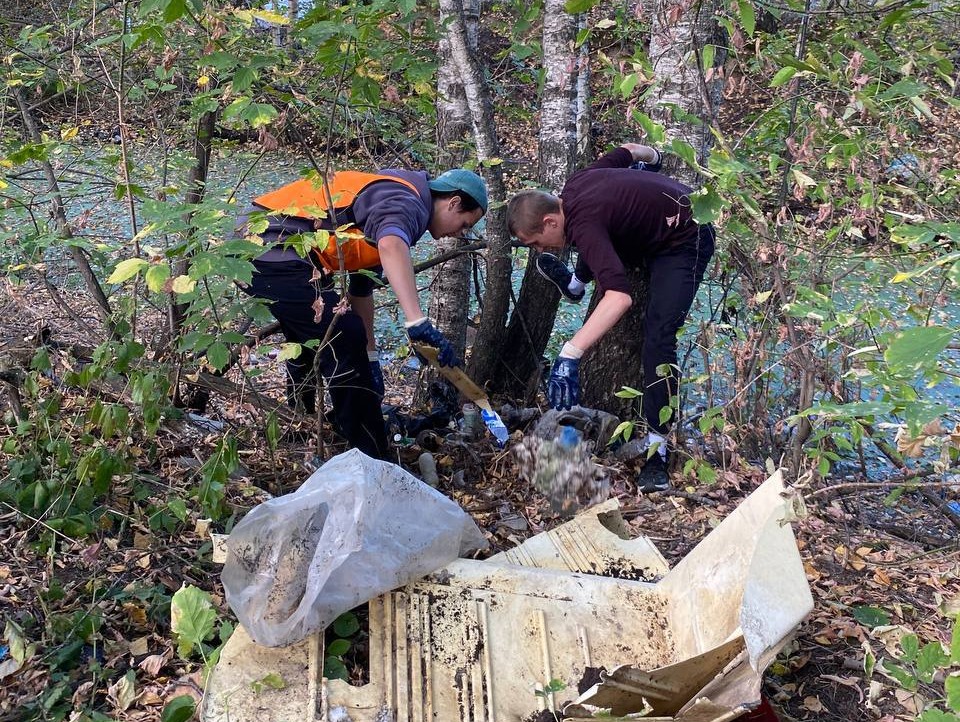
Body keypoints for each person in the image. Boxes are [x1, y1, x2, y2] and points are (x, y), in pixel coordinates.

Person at [239, 166, 488, 460]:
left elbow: (361, 290)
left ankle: (301, 423)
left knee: (320, 329)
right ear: (454, 202)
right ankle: (369, 453)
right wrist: (417, 322)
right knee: (344, 334)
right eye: (465, 223)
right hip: (265, 244)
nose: (461, 233)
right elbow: (391, 245)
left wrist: (370, 361)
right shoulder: (408, 202)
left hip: (273, 245)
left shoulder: (397, 195)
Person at [507, 143, 715, 492]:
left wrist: (570, 353)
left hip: (685, 238)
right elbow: (629, 151)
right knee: (593, 232)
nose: (539, 251)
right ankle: (575, 285)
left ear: (549, 220)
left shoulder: (582, 222)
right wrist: (656, 159)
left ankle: (657, 452)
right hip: (648, 230)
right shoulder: (574, 187)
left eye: (536, 243)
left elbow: (619, 298)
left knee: (658, 340)